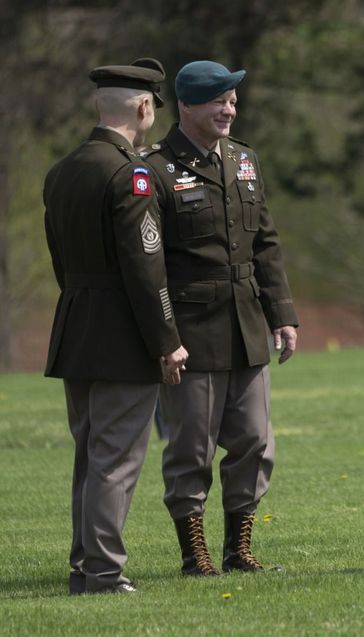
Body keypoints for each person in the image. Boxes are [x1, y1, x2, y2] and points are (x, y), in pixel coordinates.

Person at [142, 60, 298, 577]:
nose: (229, 109)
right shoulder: (157, 168)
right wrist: (164, 337)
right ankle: (195, 554)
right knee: (191, 446)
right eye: (218, 101)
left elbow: (266, 245)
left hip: (247, 326)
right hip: (192, 331)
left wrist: (283, 315)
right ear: (186, 105)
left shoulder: (244, 160)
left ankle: (239, 549)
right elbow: (150, 263)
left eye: (232, 100)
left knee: (255, 440)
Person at [44, 58, 189, 594]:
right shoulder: (133, 172)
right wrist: (167, 340)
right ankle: (103, 572)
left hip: (76, 323)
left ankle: (85, 564)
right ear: (145, 106)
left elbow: (60, 259)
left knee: (89, 455)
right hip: (122, 332)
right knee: (117, 460)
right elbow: (145, 267)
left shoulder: (64, 170)